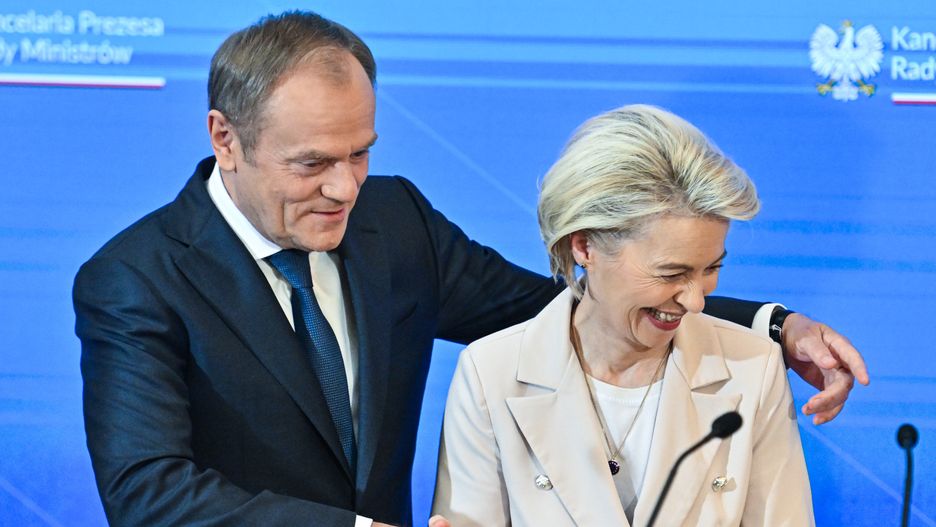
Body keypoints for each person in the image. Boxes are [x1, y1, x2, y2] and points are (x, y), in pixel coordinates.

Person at [72, 11, 864, 527]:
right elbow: (150, 492)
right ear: (226, 138)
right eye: (313, 162)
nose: (346, 187)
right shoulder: (136, 279)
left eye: (361, 152)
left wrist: (771, 324)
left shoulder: (394, 220)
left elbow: (562, 303)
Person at [432, 105, 814, 526]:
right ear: (584, 247)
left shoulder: (752, 369)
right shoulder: (492, 372)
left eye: (711, 269)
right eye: (672, 272)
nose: (695, 300)